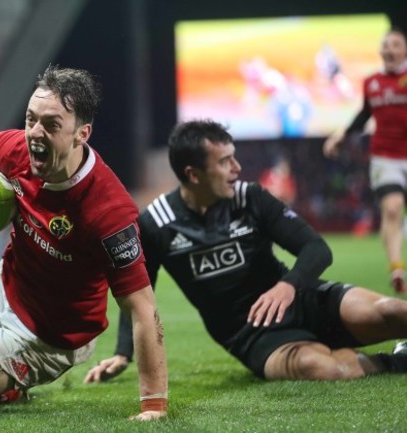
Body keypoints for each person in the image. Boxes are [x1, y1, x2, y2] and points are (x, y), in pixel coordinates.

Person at [0, 65, 168, 421]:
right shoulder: (18, 152)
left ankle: (13, 381)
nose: (34, 134)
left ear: (81, 134)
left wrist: (154, 405)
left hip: (48, 335)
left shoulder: (109, 213)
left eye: (51, 124)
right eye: (31, 119)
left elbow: (142, 307)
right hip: (7, 283)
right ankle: (1, 379)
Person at [84, 119, 407, 384]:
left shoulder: (250, 197)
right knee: (324, 369)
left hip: (302, 299)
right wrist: (123, 352)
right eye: (225, 162)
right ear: (193, 175)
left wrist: (288, 285)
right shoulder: (156, 224)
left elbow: (316, 248)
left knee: (391, 310)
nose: (237, 168)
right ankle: (395, 360)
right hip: (252, 336)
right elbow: (138, 292)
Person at [323, 27, 407, 294]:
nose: (389, 49)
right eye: (386, 45)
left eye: (395, 45)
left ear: (404, 50)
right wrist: (341, 135)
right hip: (385, 156)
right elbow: (364, 114)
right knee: (392, 208)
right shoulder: (372, 83)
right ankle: (396, 267)